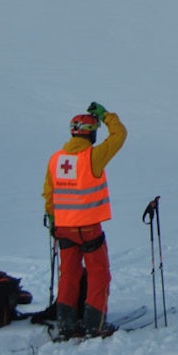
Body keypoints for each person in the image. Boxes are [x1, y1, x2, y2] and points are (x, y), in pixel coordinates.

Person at [43, 101, 127, 338]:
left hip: (64, 228)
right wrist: (107, 115)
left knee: (69, 274)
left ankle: (66, 322)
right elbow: (120, 135)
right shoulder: (93, 157)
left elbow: (48, 192)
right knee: (98, 273)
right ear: (90, 133)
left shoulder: (56, 159)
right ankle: (94, 323)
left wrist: (52, 218)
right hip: (89, 227)